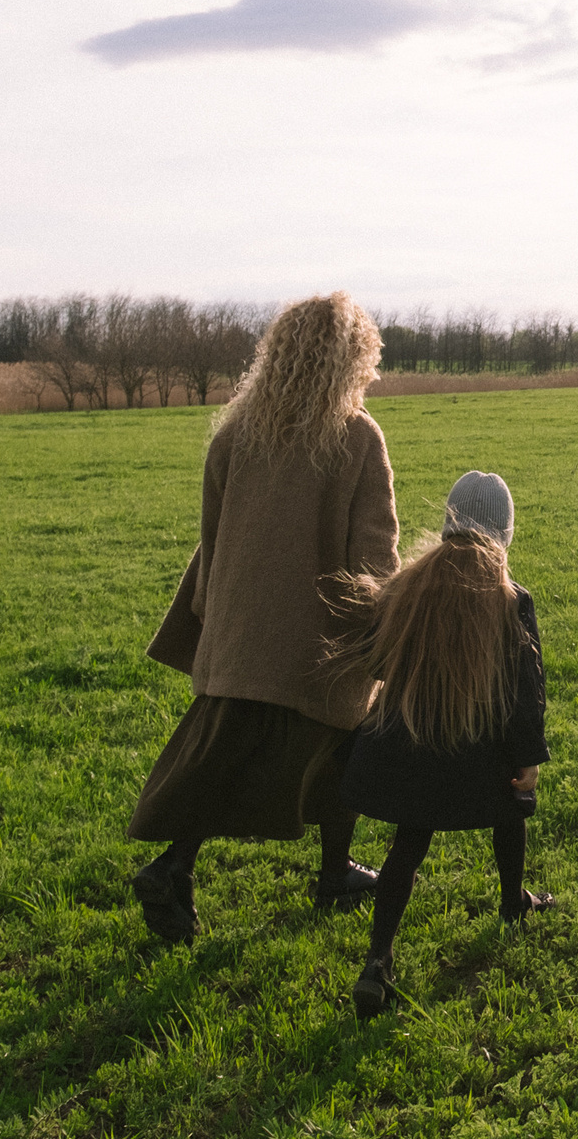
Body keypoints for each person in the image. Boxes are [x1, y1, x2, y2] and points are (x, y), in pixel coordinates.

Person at [126, 291, 400, 944]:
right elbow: (374, 553)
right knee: (349, 739)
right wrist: (385, 629)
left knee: (224, 760)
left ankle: (198, 866)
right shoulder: (356, 436)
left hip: (241, 635)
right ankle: (188, 867)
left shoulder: (234, 434)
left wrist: (212, 621)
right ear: (353, 360)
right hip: (319, 644)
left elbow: (211, 542)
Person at [332, 470, 555, 1020]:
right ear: (504, 533)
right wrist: (527, 761)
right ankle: (512, 901)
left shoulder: (408, 585)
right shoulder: (510, 599)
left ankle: (377, 962)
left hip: (409, 747)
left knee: (408, 844)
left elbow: (375, 658)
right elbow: (525, 693)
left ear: (449, 522)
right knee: (512, 809)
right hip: (478, 754)